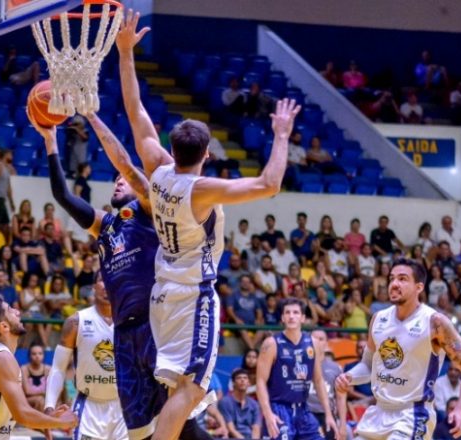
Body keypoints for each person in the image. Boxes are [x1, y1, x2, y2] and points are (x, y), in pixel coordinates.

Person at [118, 13, 300, 439]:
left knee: (180, 388)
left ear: (171, 147)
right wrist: (282, 134)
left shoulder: (157, 169)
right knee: (193, 386)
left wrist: (126, 53)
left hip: (164, 293)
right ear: (205, 154)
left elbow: (135, 109)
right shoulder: (201, 190)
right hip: (191, 295)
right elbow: (269, 183)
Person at [37, 92, 207, 438]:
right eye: (116, 180)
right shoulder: (106, 226)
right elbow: (63, 198)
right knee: (142, 432)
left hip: (156, 324)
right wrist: (51, 141)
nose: (118, 180)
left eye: (123, 180)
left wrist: (93, 119)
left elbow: (128, 166)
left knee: (181, 423)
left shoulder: (150, 212)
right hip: (124, 333)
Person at [335, 258, 461, 440]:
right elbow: (368, 365)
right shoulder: (378, 319)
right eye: (392, 278)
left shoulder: (435, 322)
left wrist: (460, 409)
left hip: (413, 414)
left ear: (419, 287)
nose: (394, 284)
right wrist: (349, 377)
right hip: (378, 412)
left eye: (402, 279)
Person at [0, 295, 78, 438]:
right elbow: (23, 414)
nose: (18, 312)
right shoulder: (1, 359)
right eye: (11, 310)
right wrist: (60, 422)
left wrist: (45, 421)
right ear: (4, 326)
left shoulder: (1, 357)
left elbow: (16, 413)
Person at [44, 273, 127, 439]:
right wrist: (49, 407)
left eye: (111, 279)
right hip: (89, 406)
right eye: (102, 279)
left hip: (124, 407)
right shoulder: (76, 321)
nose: (106, 284)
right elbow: (58, 369)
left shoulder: (130, 321)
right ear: (93, 287)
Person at [256, 298, 339, 439]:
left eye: (295, 312)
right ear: (282, 317)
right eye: (287, 313)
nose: (291, 316)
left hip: (303, 409)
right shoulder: (271, 344)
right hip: (278, 408)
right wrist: (268, 413)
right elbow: (260, 382)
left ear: (303, 318)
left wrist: (328, 414)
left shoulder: (314, 344)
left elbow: (318, 381)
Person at [218, 369, 261, 439]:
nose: (242, 380)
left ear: (249, 383)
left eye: (245, 378)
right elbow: (231, 429)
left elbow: (256, 428)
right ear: (233, 383)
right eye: (239, 378)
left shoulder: (254, 404)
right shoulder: (225, 402)